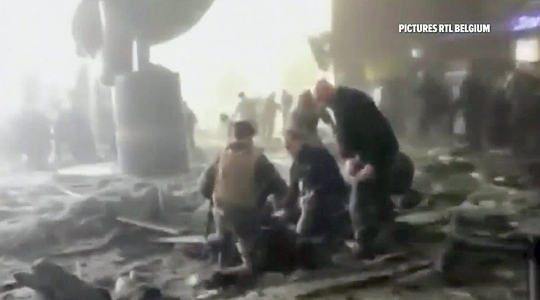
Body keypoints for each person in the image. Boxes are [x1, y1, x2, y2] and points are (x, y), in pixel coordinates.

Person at [313, 79, 399, 259]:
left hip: (380, 152)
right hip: (373, 152)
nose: (323, 104)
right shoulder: (342, 102)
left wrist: (370, 162)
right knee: (378, 193)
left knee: (360, 197)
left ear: (327, 92)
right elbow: (347, 134)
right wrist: (350, 158)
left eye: (322, 100)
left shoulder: (351, 104)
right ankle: (385, 237)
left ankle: (365, 244)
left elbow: (371, 133)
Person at [198, 119, 288, 275]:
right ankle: (244, 265)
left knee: (222, 221)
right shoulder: (259, 159)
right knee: (267, 221)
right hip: (244, 217)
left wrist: (217, 198)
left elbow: (204, 187)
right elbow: (280, 188)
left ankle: (218, 245)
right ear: (250, 137)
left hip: (220, 215)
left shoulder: (221, 155)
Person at [281, 128, 348, 267]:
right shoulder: (296, 164)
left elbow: (337, 183)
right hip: (308, 204)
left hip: (328, 201)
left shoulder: (319, 156)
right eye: (286, 147)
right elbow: (293, 190)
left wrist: (316, 193)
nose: (288, 150)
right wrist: (283, 208)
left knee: (309, 216)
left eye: (289, 145)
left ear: (299, 141)